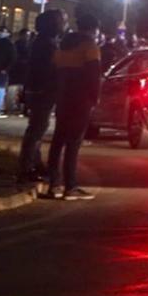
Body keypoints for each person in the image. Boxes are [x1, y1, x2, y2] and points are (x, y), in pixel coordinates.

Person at [45, 11, 103, 200]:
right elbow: (94, 75)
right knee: (73, 143)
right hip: (81, 99)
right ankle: (70, 186)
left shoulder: (63, 45)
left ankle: (53, 185)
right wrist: (94, 98)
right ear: (93, 29)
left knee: (58, 140)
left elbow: (54, 71)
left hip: (63, 98)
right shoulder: (90, 47)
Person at [18, 10, 66, 182]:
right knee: (36, 129)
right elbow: (51, 69)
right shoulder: (47, 45)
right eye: (62, 21)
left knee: (37, 128)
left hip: (38, 90)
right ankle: (26, 167)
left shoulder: (42, 42)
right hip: (42, 91)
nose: (64, 25)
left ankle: (35, 164)